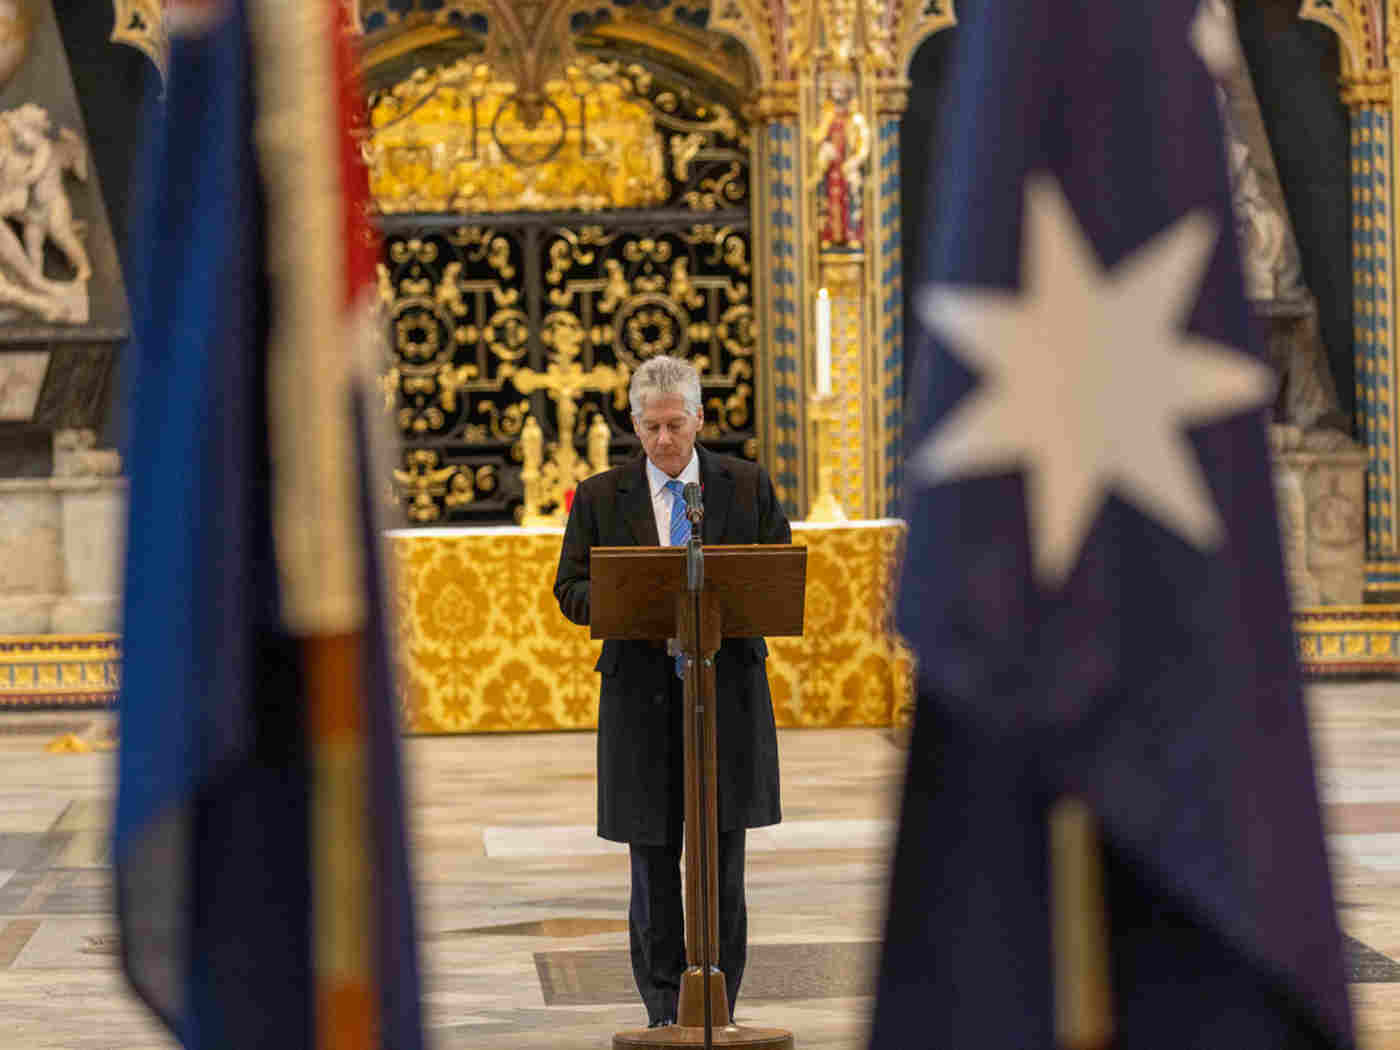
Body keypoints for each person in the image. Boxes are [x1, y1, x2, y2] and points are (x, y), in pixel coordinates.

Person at [553, 354, 790, 1028]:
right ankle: (663, 1010)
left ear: (699, 419)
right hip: (642, 701)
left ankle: (719, 1004)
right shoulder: (601, 497)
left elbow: (776, 571)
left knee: (722, 862)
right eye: (651, 427)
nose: (663, 439)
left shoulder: (744, 487)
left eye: (675, 425)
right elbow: (568, 589)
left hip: (728, 698)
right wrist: (632, 600)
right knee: (653, 861)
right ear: (634, 425)